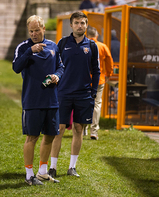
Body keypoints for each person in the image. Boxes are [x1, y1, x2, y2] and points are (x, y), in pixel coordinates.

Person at [12, 15, 63, 185]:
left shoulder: (53, 47)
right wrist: (30, 51)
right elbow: (16, 68)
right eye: (31, 31)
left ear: (43, 29)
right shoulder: (23, 47)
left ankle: (42, 172)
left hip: (52, 100)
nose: (34, 34)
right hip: (32, 101)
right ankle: (29, 175)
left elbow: (61, 67)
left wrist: (57, 75)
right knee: (32, 137)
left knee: (49, 136)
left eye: (36, 30)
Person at [48, 11, 100, 178]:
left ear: (86, 25)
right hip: (62, 93)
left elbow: (97, 71)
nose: (80, 26)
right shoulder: (62, 43)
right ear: (71, 25)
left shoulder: (92, 46)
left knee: (78, 128)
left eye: (83, 23)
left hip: (83, 94)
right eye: (77, 23)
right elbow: (55, 66)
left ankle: (72, 167)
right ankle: (52, 167)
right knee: (59, 129)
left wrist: (93, 91)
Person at [86, 26, 114, 140]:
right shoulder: (103, 46)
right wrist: (108, 74)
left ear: (87, 36)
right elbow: (109, 61)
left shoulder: (84, 46)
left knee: (84, 103)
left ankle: (83, 129)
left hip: (85, 80)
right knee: (96, 104)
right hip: (99, 80)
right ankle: (94, 131)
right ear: (97, 36)